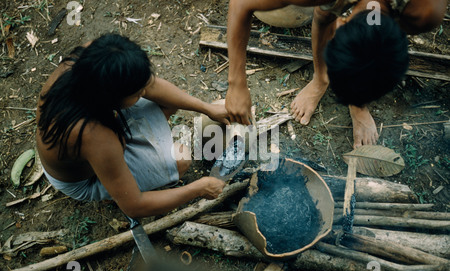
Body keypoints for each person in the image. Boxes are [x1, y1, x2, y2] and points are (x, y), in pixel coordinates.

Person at [36, 34, 229, 219]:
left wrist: (207, 108)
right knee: (181, 158)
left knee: (168, 100)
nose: (145, 92)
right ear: (112, 99)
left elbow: (152, 86)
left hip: (97, 138)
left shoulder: (94, 58)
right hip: (86, 180)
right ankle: (111, 192)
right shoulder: (94, 136)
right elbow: (135, 206)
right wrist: (196, 189)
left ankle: (129, 169)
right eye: (138, 93)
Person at [225, 0, 446, 148]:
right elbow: (241, 4)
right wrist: (236, 84)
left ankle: (357, 104)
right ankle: (320, 78)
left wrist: (359, 97)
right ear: (340, 23)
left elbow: (375, 32)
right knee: (318, 12)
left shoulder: (424, 11)